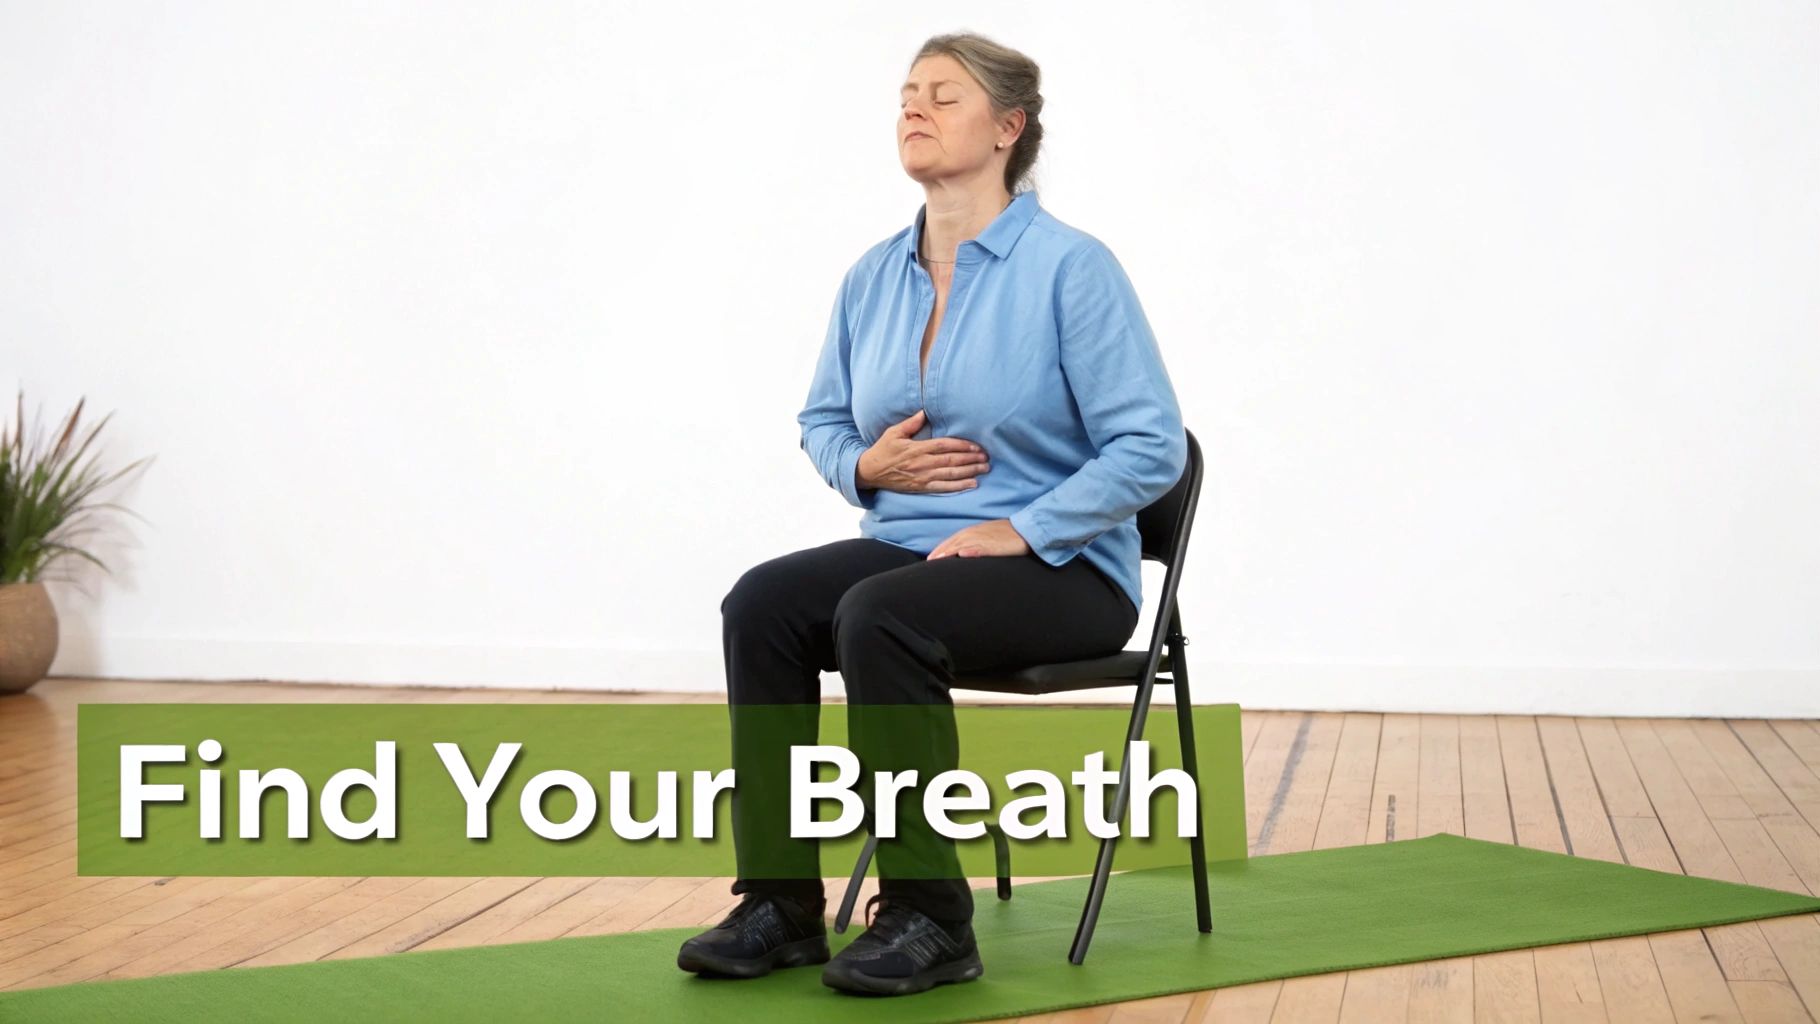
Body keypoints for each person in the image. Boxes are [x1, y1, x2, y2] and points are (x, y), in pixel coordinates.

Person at [676, 31, 1187, 997]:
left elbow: (1151, 446)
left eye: (943, 96)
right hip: (911, 550)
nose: (914, 108)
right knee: (762, 603)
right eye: (907, 94)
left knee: (884, 613)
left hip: (1066, 571)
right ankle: (781, 906)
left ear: (1007, 128)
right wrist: (861, 464)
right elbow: (822, 417)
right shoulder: (874, 274)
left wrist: (1021, 528)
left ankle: (929, 919)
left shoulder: (1071, 269)